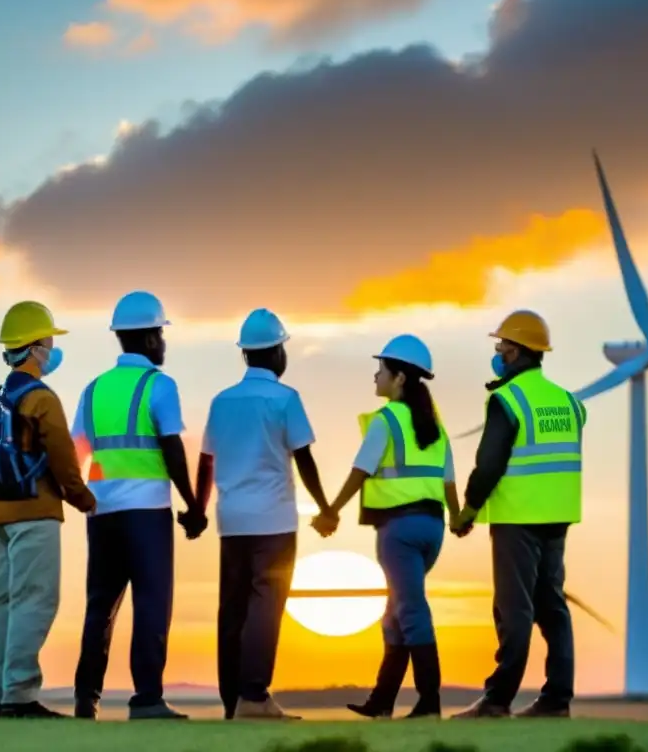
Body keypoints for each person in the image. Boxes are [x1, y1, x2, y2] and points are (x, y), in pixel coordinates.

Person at [312, 334, 465, 719]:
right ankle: (381, 701)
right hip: (432, 528)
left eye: (380, 370)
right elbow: (448, 480)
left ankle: (429, 702)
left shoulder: (387, 421)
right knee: (396, 613)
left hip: (399, 530)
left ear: (399, 378)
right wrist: (458, 517)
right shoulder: (435, 425)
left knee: (410, 611)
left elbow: (360, 472)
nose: (375, 376)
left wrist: (330, 511)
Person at [70, 291, 207, 721]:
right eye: (161, 335)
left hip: (103, 514)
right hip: (147, 514)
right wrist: (194, 506)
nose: (164, 344)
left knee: (100, 608)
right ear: (150, 338)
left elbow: (76, 452)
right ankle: (147, 699)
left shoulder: (92, 390)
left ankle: (85, 699)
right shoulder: (160, 386)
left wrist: (86, 499)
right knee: (151, 605)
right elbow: (171, 447)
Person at [196, 308, 331, 720]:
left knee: (232, 610)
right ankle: (254, 696)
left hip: (232, 521)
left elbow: (206, 462)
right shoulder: (285, 399)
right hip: (273, 521)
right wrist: (325, 508)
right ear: (276, 353)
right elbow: (303, 458)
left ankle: (232, 702)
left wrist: (198, 511)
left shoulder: (222, 401)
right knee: (264, 607)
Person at [450, 310, 585, 720]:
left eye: (500, 347)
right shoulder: (569, 402)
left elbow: (489, 464)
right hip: (558, 516)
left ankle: (497, 699)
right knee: (552, 606)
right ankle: (557, 699)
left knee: (514, 608)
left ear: (514, 350)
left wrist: (467, 512)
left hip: (518, 517)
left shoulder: (507, 400)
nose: (497, 353)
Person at [0, 301, 96, 720]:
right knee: (35, 600)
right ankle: (20, 697)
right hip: (35, 513)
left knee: (4, 603)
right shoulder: (41, 398)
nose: (51, 350)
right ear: (35, 348)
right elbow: (63, 459)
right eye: (48, 342)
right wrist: (84, 500)